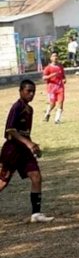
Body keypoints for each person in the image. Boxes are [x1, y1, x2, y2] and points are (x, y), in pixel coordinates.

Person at [0, 80, 54, 223]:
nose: (31, 94)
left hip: (25, 151)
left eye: (33, 91)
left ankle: (36, 214)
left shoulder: (29, 110)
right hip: (12, 150)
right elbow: (10, 131)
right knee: (2, 182)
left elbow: (25, 133)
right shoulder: (16, 107)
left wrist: (34, 147)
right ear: (20, 91)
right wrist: (28, 143)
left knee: (36, 177)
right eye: (28, 91)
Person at [42, 51, 66, 124]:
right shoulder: (48, 68)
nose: (55, 57)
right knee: (52, 104)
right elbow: (44, 78)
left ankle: (57, 119)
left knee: (61, 102)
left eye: (56, 56)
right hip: (51, 88)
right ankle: (47, 113)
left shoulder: (60, 66)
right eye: (53, 56)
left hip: (60, 87)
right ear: (50, 58)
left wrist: (64, 79)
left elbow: (63, 75)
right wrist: (51, 75)